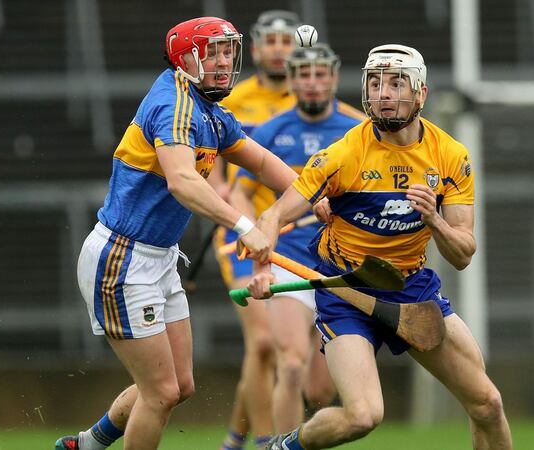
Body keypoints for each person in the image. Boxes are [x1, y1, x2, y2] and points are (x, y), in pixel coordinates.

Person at [247, 44, 514, 450]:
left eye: (396, 83)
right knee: (363, 416)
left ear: (421, 93)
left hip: (411, 288)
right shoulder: (343, 155)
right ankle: (283, 446)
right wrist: (262, 265)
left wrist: (435, 220)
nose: (384, 93)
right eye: (375, 83)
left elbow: (463, 254)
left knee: (487, 404)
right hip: (346, 291)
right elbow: (273, 217)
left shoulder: (450, 156)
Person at [53, 16, 298, 450]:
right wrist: (245, 226)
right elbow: (182, 181)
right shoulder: (174, 105)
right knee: (161, 392)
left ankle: (86, 445)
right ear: (185, 60)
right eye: (212, 53)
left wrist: (314, 197)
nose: (224, 62)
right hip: (123, 259)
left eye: (228, 52)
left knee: (179, 385)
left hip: (159, 257)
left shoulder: (209, 110)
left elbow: (261, 162)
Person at [232, 43, 366, 434]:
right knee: (290, 363)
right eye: (303, 75)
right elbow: (241, 191)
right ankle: (277, 444)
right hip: (289, 259)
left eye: (320, 74)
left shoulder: (358, 130)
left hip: (337, 264)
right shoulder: (272, 130)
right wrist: (252, 233)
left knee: (321, 390)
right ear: (291, 80)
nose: (312, 83)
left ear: (334, 78)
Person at [210, 10, 302, 450]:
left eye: (287, 42)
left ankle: (234, 439)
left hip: (296, 235)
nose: (279, 50)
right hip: (241, 231)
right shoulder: (234, 98)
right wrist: (219, 196)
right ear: (257, 47)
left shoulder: (306, 100)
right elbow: (210, 158)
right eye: (271, 42)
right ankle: (267, 441)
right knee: (263, 342)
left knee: (282, 351)